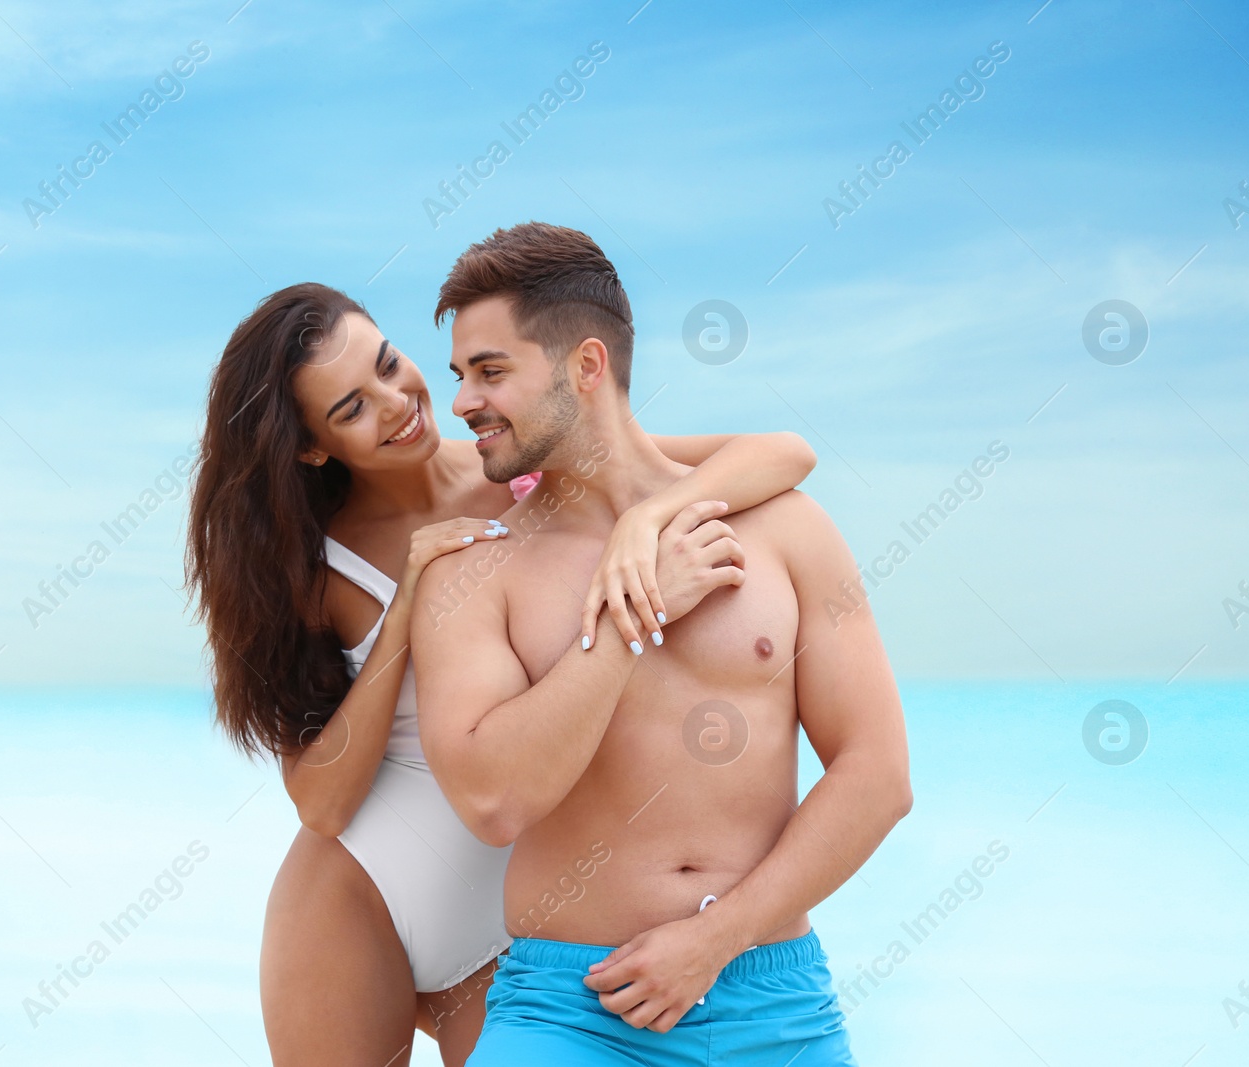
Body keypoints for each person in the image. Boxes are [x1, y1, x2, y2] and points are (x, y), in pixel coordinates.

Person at [183, 282, 820, 1066]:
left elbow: (784, 452)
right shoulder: (313, 566)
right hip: (360, 895)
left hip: (511, 909)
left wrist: (650, 520)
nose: (396, 403)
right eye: (351, 408)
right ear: (313, 447)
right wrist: (409, 606)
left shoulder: (520, 469)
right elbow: (319, 802)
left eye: (389, 364)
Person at [412, 223, 913, 1066]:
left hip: (772, 995)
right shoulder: (475, 573)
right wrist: (634, 614)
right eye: (459, 374)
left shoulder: (784, 527)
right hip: (569, 1010)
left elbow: (878, 775)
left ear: (587, 367)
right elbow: (494, 800)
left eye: (491, 371)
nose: (462, 401)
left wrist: (716, 938)